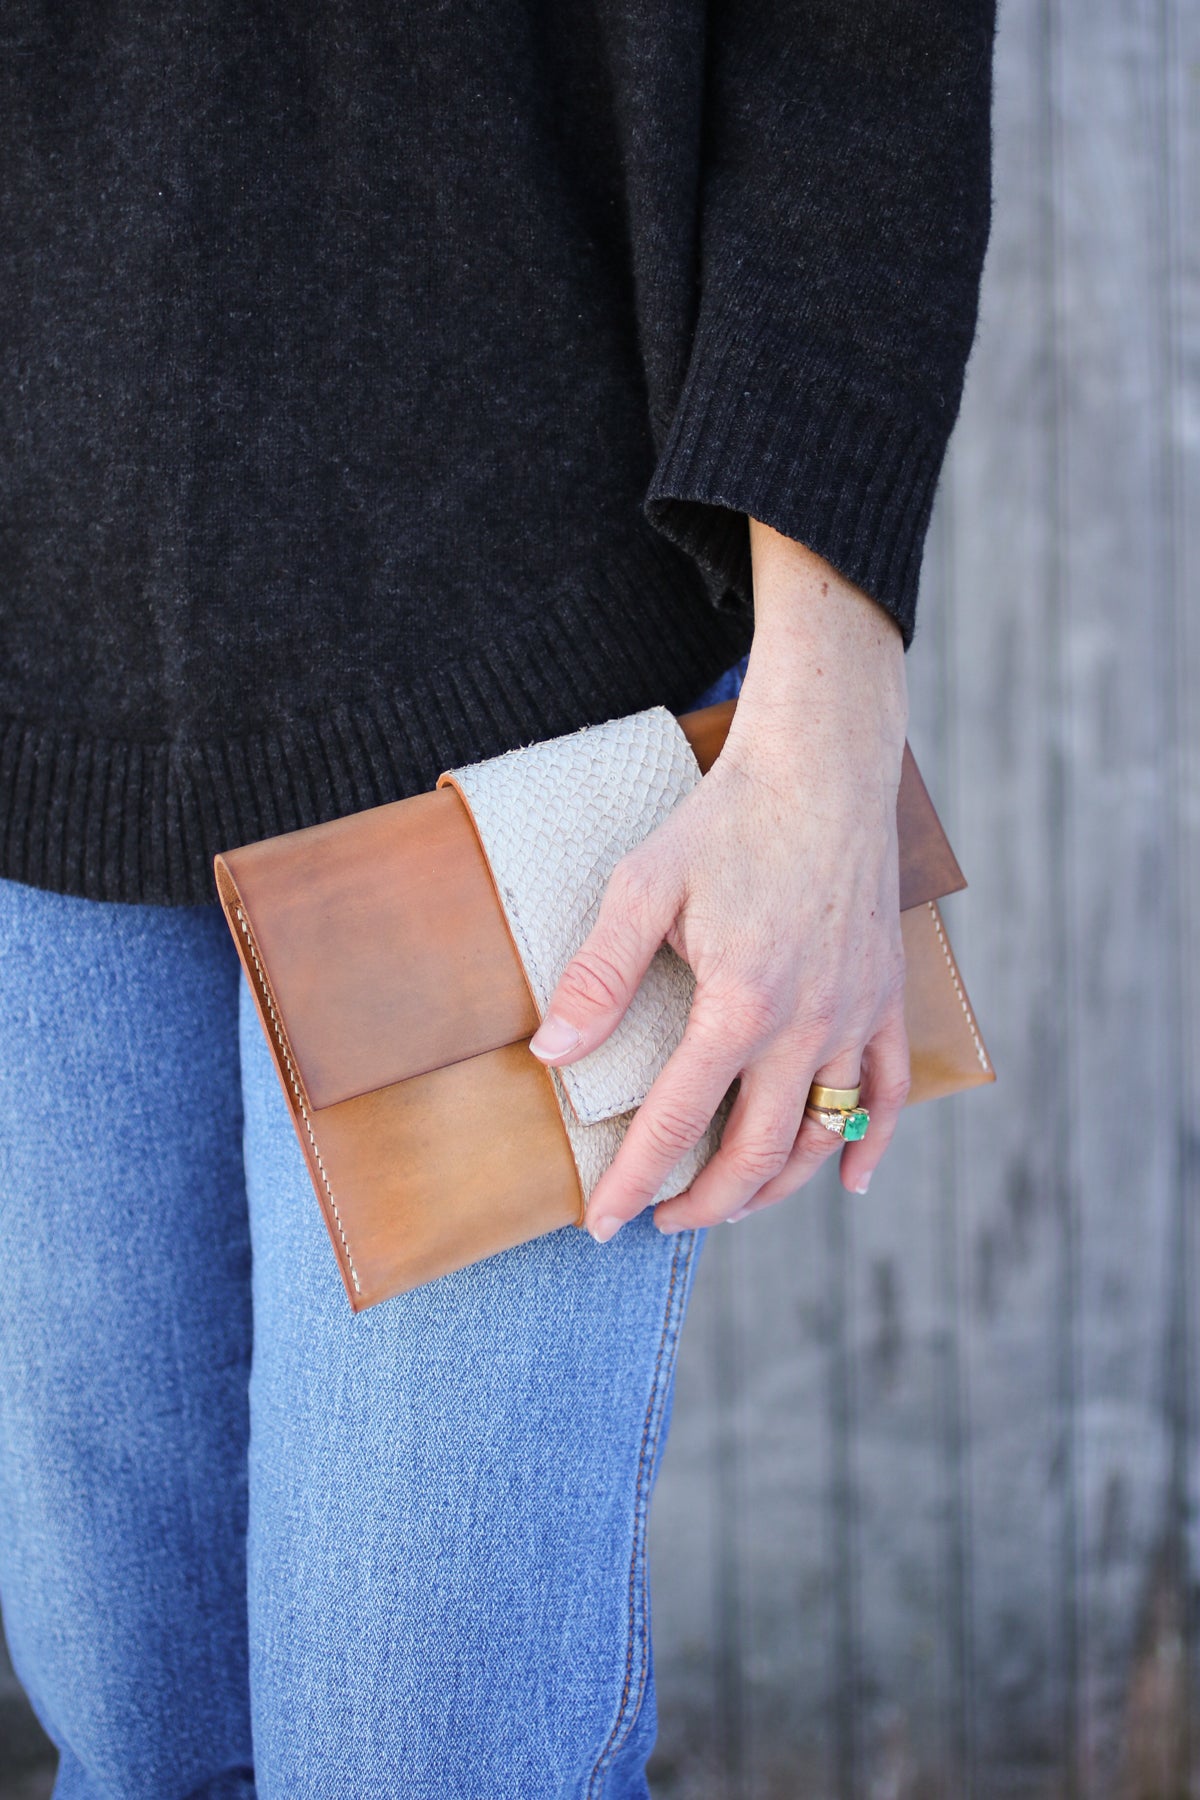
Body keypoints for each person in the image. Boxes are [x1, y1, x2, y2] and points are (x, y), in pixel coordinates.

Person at [0, 4, 995, 1795]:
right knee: (130, 1735)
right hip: (38, 709)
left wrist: (827, 731)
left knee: (425, 1754)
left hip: (532, 693)